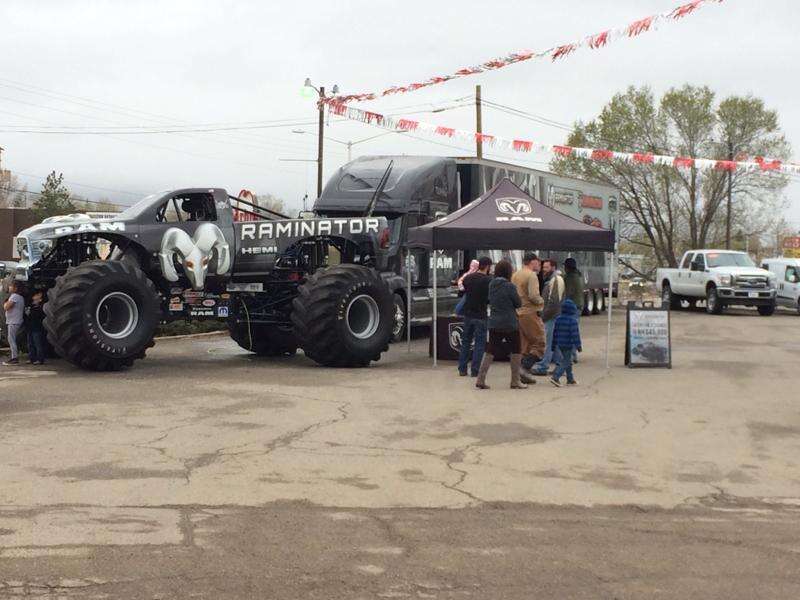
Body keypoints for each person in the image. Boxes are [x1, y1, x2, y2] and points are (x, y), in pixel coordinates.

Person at [475, 259, 536, 390]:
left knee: (490, 350)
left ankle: (480, 378)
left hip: (494, 322)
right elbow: (518, 303)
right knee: (516, 350)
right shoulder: (510, 286)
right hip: (509, 322)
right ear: (508, 272)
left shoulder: (491, 284)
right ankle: (515, 380)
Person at [457, 256, 492, 377]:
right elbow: (489, 299)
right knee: (479, 343)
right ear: (487, 266)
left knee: (465, 341)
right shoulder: (488, 280)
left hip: (468, 314)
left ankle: (462, 368)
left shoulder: (468, 278)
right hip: (481, 314)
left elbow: (461, 292)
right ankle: (475, 370)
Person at [511, 253, 545, 371]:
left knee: (524, 345)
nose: (540, 265)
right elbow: (533, 296)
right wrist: (542, 302)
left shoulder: (515, 275)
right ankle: (523, 369)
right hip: (530, 312)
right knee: (539, 343)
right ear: (532, 262)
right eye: (538, 262)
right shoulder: (531, 275)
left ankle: (520, 373)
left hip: (518, 312)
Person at [531, 259, 565, 376]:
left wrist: (544, 316)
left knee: (546, 342)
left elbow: (554, 301)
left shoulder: (555, 280)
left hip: (551, 316)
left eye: (546, 267)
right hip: (554, 315)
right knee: (554, 343)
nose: (544, 270)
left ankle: (543, 366)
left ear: (553, 267)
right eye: (543, 267)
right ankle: (560, 366)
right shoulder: (552, 280)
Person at [550, 298, 582, 387]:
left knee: (568, 360)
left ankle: (570, 379)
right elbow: (575, 335)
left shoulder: (558, 319)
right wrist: (578, 346)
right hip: (568, 344)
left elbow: (555, 333)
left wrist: (553, 345)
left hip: (560, 344)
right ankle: (556, 377)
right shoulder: (573, 321)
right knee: (567, 361)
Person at [562, 257, 585, 362]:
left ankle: (571, 356)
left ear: (567, 267)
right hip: (579, 305)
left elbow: (568, 293)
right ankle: (573, 355)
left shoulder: (570, 278)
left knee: (569, 332)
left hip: (572, 307)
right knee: (574, 330)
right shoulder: (579, 276)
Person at [3, 281, 25, 366]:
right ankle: (14, 356)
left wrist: (5, 303)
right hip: (15, 321)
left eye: (11, 286)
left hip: (13, 321)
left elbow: (6, 307)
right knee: (12, 339)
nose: (9, 287)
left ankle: (14, 358)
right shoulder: (20, 297)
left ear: (16, 288)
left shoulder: (14, 296)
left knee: (11, 340)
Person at [25, 290, 46, 366]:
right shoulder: (30, 306)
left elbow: (39, 316)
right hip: (30, 327)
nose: (34, 296)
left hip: (37, 327)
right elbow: (27, 315)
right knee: (30, 344)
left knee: (38, 344)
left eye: (37, 295)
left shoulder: (41, 306)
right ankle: (32, 358)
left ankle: (40, 359)